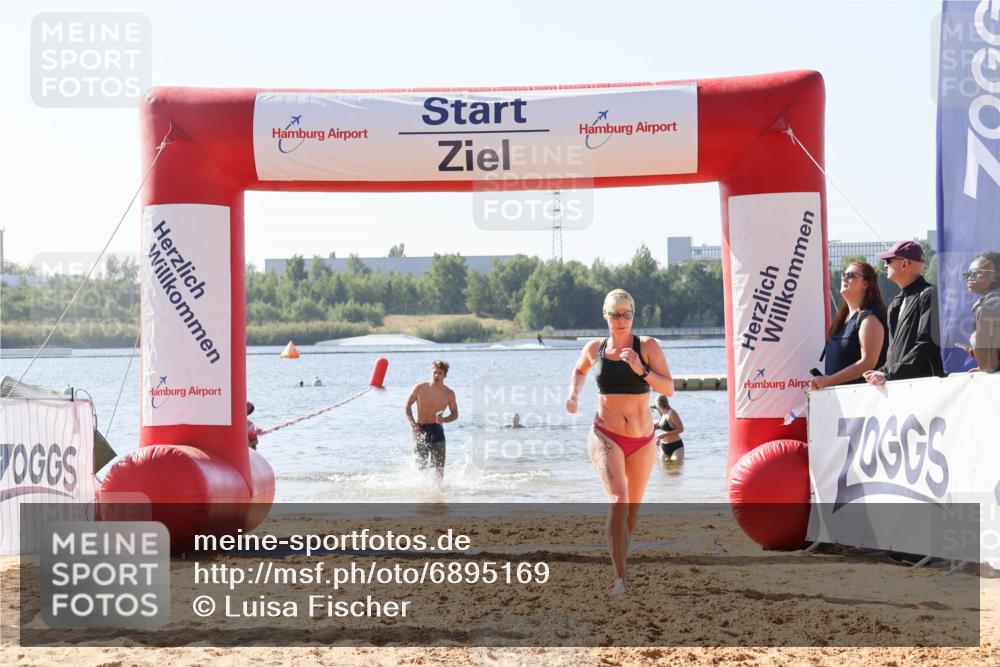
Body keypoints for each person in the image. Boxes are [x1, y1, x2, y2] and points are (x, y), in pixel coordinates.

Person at [566, 289, 674, 595]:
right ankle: (620, 579)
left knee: (632, 512)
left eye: (627, 314)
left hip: (642, 440)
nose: (622, 319)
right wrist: (573, 394)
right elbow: (579, 370)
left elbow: (669, 388)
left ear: (633, 315)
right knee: (619, 499)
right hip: (606, 434)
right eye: (615, 314)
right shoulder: (595, 348)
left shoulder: (648, 346)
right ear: (606, 316)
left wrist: (642, 369)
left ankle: (620, 565)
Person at [864, 240, 944, 385]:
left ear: (904, 264)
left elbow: (927, 344)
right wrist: (882, 371)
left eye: (888, 260)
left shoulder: (929, 294)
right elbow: (894, 352)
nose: (885, 265)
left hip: (924, 387)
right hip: (900, 386)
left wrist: (889, 374)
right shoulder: (896, 303)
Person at [811, 261, 888, 389]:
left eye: (851, 275)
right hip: (838, 396)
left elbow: (868, 363)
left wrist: (829, 381)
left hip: (861, 397)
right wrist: (824, 382)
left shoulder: (870, 319)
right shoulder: (842, 320)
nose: (844, 278)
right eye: (843, 274)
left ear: (866, 284)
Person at [404, 360, 458, 477]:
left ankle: (437, 488)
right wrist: (413, 425)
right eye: (434, 372)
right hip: (420, 429)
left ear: (445, 375)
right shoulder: (420, 388)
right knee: (421, 466)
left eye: (440, 373)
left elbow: (455, 414)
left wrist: (444, 420)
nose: (436, 375)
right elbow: (407, 405)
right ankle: (423, 486)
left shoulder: (449, 394)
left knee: (439, 468)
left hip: (437, 430)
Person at [964, 251, 1000, 373]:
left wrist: (982, 357)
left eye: (974, 273)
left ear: (996, 275)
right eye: (967, 274)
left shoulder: (986, 307)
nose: (969, 277)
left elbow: (989, 365)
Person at [653, 395, 684, 460]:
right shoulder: (663, 413)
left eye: (656, 404)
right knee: (664, 466)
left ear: (659, 404)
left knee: (676, 464)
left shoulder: (671, 413)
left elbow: (681, 429)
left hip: (676, 446)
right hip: (664, 446)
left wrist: (664, 435)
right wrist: (658, 439)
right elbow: (663, 428)